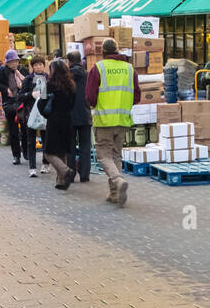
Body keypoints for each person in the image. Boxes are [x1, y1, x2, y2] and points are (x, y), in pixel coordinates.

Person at [86, 37, 141, 206]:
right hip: (123, 120)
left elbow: (90, 96)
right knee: (116, 155)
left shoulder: (99, 68)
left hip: (104, 120)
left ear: (103, 51)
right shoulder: (130, 69)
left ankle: (117, 180)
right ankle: (114, 194)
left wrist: (95, 105)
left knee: (103, 155)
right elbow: (137, 95)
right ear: (117, 51)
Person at [37, 57, 76, 190]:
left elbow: (41, 105)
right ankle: (62, 182)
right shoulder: (71, 85)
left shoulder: (48, 85)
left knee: (49, 152)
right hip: (67, 120)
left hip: (54, 121)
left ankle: (66, 172)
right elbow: (73, 104)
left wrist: (47, 114)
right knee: (62, 151)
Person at [0, 49, 27, 165]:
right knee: (13, 130)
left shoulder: (22, 70)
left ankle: (26, 151)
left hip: (22, 102)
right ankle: (16, 155)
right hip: (10, 104)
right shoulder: (3, 72)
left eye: (16, 61)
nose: (14, 64)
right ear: (7, 62)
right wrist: (5, 89)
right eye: (11, 62)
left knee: (25, 128)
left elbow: (28, 82)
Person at [20, 53, 48, 176]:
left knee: (46, 140)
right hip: (30, 114)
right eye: (36, 65)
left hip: (45, 114)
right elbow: (20, 96)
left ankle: (46, 163)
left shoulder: (48, 78)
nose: (38, 67)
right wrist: (29, 95)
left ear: (44, 66)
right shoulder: (28, 79)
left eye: (41, 65)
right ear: (32, 67)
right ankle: (32, 167)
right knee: (31, 141)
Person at [67, 50, 92, 182]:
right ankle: (84, 175)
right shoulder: (87, 75)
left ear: (69, 62)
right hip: (84, 113)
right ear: (80, 61)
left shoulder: (66, 76)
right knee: (85, 146)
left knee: (70, 146)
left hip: (69, 115)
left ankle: (70, 174)